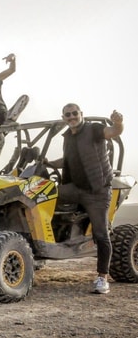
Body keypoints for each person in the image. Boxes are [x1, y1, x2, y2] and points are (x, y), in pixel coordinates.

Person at [46, 104, 124, 294]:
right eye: (68, 115)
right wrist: (45, 163)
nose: (71, 117)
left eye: (74, 113)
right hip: (75, 188)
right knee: (43, 196)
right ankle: (48, 242)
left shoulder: (93, 129)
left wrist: (119, 123)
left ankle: (102, 278)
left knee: (101, 233)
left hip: (96, 191)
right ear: (63, 117)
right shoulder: (68, 137)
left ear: (81, 114)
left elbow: (113, 131)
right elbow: (66, 161)